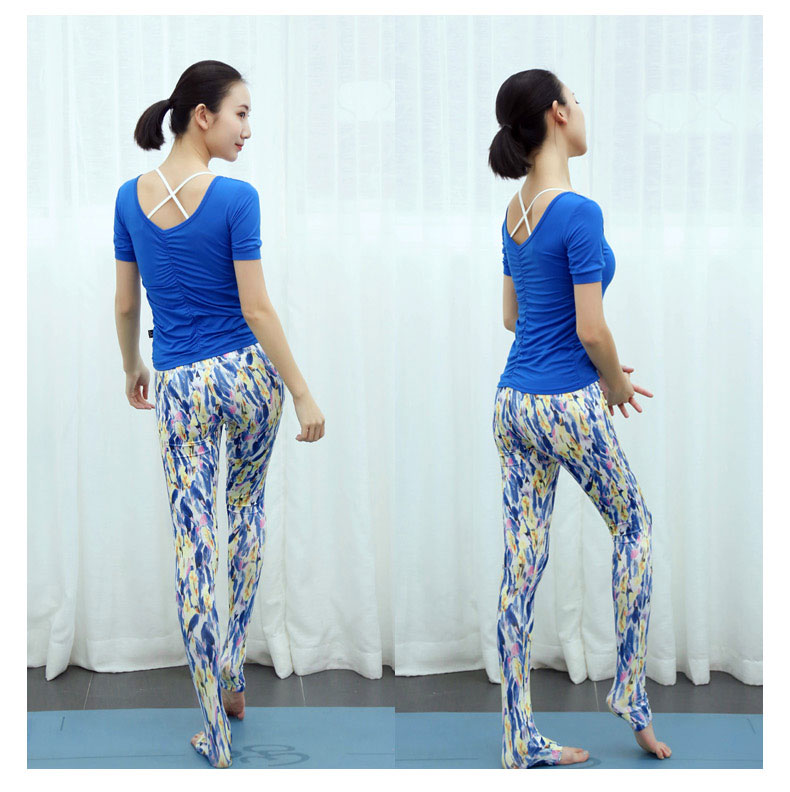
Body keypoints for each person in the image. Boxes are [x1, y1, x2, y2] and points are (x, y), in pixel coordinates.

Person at [113, 60, 325, 768]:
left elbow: (125, 303)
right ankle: (232, 662)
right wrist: (301, 390)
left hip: (178, 385)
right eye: (241, 113)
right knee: (246, 513)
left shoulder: (128, 199)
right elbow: (257, 308)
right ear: (202, 115)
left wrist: (132, 366)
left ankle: (213, 722)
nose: (247, 130)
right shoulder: (236, 198)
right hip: (246, 379)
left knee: (194, 544)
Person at [487, 69, 671, 768]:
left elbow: (513, 317)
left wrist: (571, 359)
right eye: (578, 101)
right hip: (567, 401)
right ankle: (631, 696)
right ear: (558, 114)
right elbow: (592, 329)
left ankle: (517, 737)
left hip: (512, 403)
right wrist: (614, 382)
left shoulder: (515, 211)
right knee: (634, 526)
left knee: (521, 565)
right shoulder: (578, 211)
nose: (582, 111)